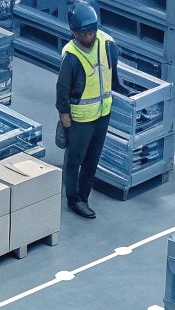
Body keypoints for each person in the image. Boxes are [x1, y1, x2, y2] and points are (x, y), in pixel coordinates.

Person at [54, 2, 117, 220]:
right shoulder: (71, 55)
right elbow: (61, 91)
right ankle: (73, 199)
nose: (90, 36)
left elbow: (114, 72)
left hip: (102, 114)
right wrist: (65, 119)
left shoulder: (107, 43)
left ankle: (84, 196)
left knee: (92, 159)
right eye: (85, 33)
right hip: (80, 119)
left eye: (92, 31)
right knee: (74, 160)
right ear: (74, 32)